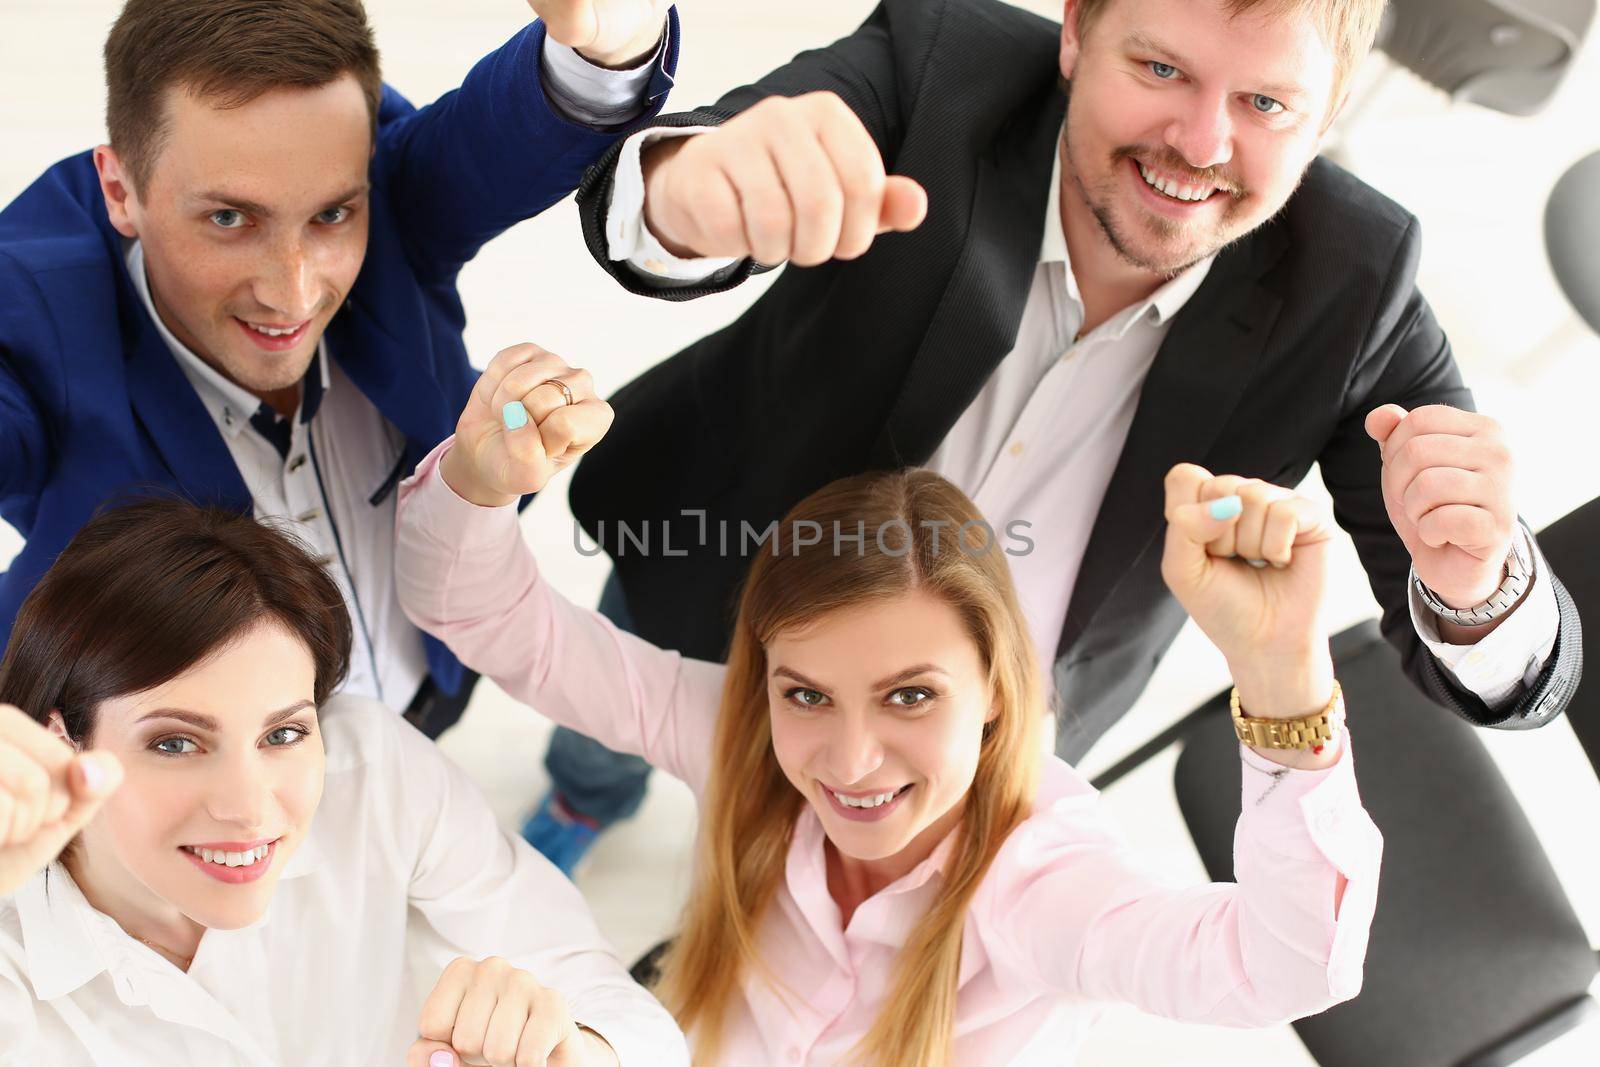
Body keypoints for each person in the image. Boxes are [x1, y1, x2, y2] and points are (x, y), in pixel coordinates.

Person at [523, 0, 1581, 870]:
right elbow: (667, 189)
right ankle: (586, 796)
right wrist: (685, 196)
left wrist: (1476, 580)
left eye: (1263, 102)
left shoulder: (1359, 279)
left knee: (825, 887)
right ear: (1075, 30)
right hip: (723, 573)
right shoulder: (940, 63)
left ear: (1327, 110)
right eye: (1160, 68)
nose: (1201, 145)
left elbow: (1503, 679)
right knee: (608, 741)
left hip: (975, 728)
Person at [393, 345, 1383, 1067]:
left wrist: (1281, 668)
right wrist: (480, 482)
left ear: (998, 688)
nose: (851, 759)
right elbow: (487, 613)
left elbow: (1283, 964)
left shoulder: (1039, 880)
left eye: (910, 694)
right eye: (806, 693)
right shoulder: (737, 733)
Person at [0, 0, 679, 740]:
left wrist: (611, 50)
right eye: (230, 219)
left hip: (427, 692)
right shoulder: (34, 314)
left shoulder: (379, 182)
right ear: (120, 191)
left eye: (331, 216)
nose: (293, 294)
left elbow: (493, 139)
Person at [0, 498, 687, 1067]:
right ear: (61, 740)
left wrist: (572, 1052)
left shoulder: (370, 771)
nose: (248, 807)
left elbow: (625, 1015)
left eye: (283, 734)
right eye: (175, 742)